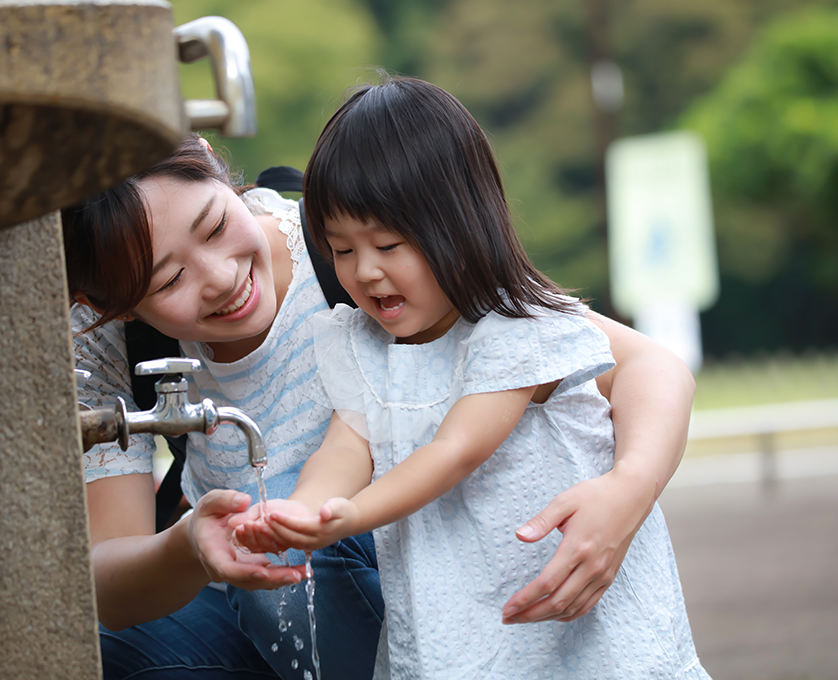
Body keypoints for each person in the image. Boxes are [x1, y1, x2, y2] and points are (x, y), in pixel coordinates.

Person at [62, 121, 696, 677]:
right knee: (92, 644)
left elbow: (643, 364)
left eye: (216, 225)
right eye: (170, 278)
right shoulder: (108, 342)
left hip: (412, 563)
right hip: (263, 593)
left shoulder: (350, 250)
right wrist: (189, 545)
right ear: (105, 304)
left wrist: (626, 492)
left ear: (211, 162)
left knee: (302, 524)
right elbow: (110, 584)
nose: (222, 277)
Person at [231, 76, 709, 680]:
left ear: (460, 225)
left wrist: (351, 517)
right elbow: (346, 445)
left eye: (389, 243)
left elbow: (458, 448)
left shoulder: (514, 327)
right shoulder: (361, 343)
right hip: (454, 628)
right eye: (342, 250)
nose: (366, 271)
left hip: (579, 631)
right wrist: (302, 511)